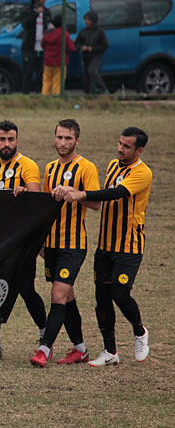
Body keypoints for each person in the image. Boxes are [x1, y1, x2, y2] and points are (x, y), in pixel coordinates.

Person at [55, 127, 151, 366]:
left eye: (127, 146)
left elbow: (115, 193)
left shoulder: (143, 173)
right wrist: (74, 195)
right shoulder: (112, 165)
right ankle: (110, 351)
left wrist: (79, 193)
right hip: (105, 245)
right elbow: (98, 201)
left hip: (129, 246)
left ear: (139, 150)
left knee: (120, 293)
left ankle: (139, 332)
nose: (120, 149)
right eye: (119, 143)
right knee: (102, 299)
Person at [30, 119, 100, 368]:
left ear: (77, 141)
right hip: (51, 244)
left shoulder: (86, 167)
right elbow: (46, 208)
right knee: (67, 296)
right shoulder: (49, 168)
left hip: (73, 244)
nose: (63, 143)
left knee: (57, 294)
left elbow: (95, 203)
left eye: (68, 138)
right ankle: (80, 349)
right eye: (59, 137)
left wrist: (74, 193)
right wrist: (40, 240)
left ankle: (43, 349)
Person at [0, 121, 47, 360]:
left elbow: (38, 203)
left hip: (23, 243)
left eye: (10, 140)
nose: (6, 144)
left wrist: (25, 194)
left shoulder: (27, 165)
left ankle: (45, 334)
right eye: (2, 140)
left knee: (27, 290)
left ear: (17, 140)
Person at [21, 0, 53, 94]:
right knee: (28, 72)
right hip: (29, 47)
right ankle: (25, 94)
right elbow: (25, 24)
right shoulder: (27, 12)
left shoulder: (47, 12)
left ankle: (40, 93)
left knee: (41, 72)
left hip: (42, 47)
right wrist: (35, 14)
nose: (44, 1)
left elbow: (49, 25)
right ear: (36, 0)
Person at [75, 10, 109, 94]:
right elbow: (77, 43)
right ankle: (90, 93)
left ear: (93, 20)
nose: (86, 21)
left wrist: (92, 48)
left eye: (88, 20)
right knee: (86, 76)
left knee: (92, 71)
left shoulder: (100, 32)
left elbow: (104, 45)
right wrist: (81, 47)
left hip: (96, 55)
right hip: (85, 55)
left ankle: (103, 88)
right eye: (85, 19)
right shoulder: (83, 31)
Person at [41, 14, 75, 95]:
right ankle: (56, 98)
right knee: (58, 82)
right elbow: (70, 48)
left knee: (47, 81)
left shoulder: (47, 33)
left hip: (48, 61)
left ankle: (44, 97)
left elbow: (43, 45)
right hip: (60, 61)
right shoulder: (64, 33)